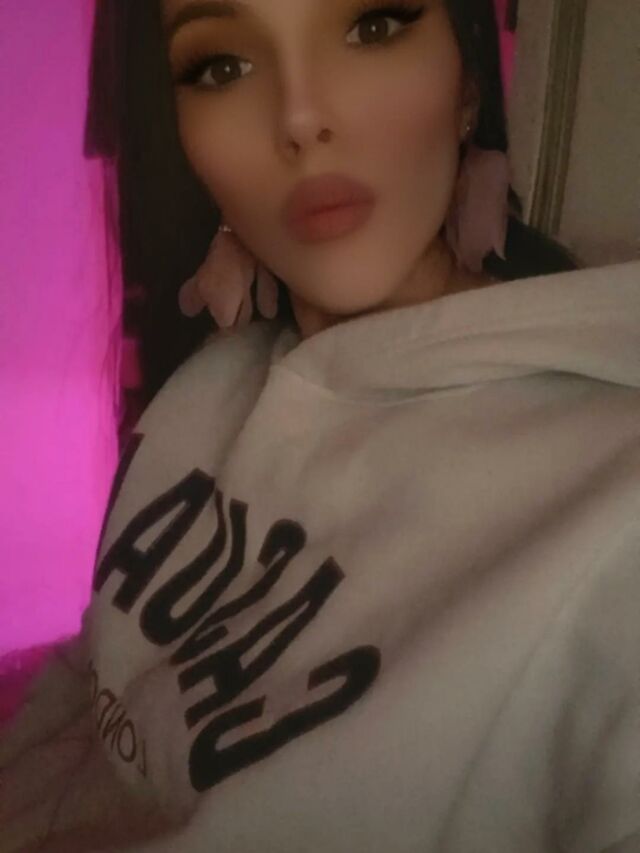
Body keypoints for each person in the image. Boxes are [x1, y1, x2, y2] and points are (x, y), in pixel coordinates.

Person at [1, 1, 639, 851]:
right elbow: (90, 688)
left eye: (373, 25)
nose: (300, 118)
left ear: (467, 84)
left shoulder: (614, 500)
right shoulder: (204, 386)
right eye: (221, 66)